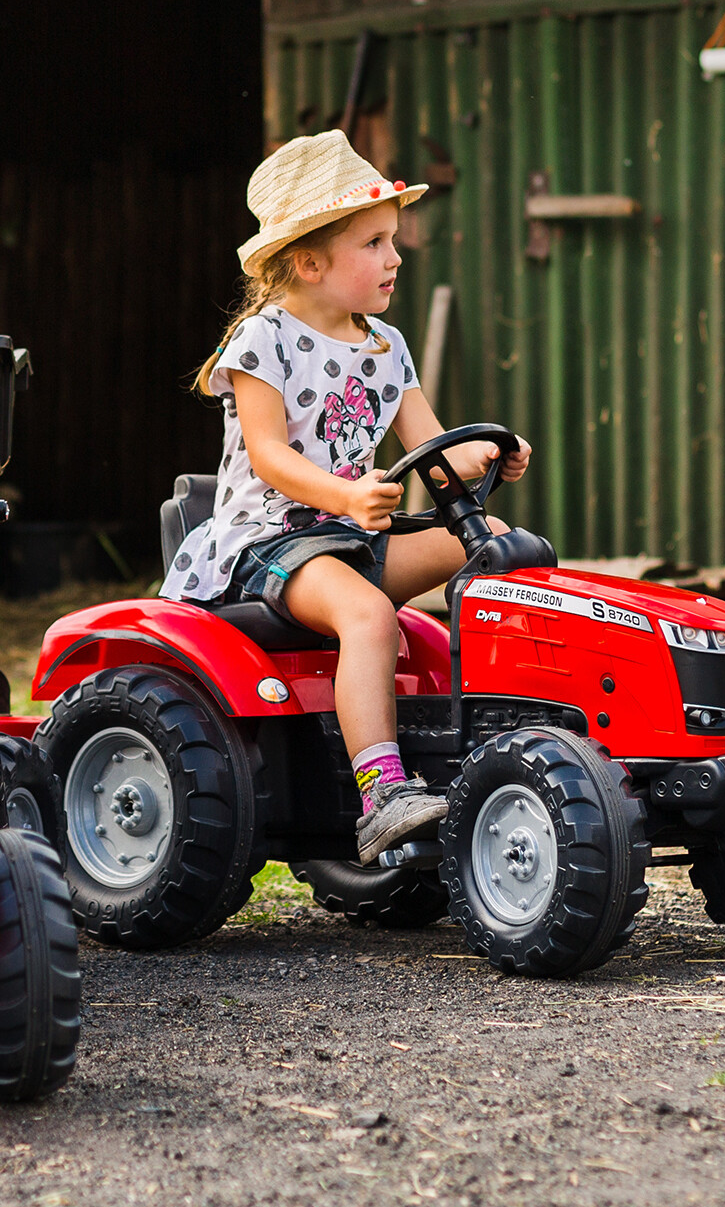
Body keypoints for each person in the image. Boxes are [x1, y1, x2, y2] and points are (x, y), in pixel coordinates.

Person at [162, 131, 530, 862]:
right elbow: (266, 455)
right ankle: (383, 794)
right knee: (367, 613)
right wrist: (344, 493)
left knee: (497, 546)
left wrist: (490, 454)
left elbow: (435, 450)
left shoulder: (385, 346)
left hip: (350, 536)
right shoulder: (262, 339)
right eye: (374, 242)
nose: (395, 257)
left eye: (392, 239)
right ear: (309, 261)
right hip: (267, 541)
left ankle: (501, 736)